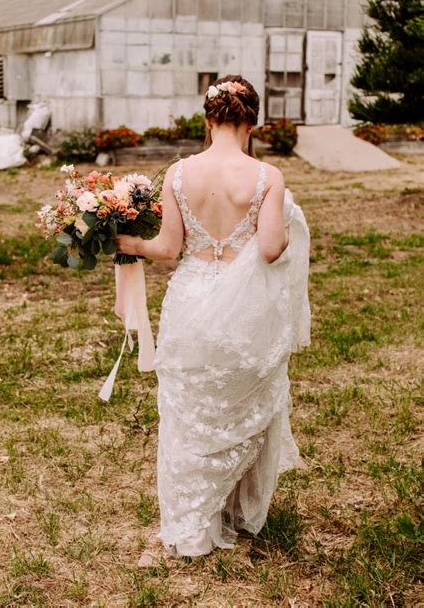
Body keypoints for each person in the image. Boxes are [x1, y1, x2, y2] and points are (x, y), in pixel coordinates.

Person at [116, 74, 311, 559]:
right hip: (245, 310)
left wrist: (129, 243)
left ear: (208, 120)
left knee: (190, 412)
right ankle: (236, 511)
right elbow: (269, 250)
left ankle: (192, 523)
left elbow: (167, 248)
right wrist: (289, 230)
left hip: (191, 300)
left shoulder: (180, 174)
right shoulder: (267, 177)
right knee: (241, 406)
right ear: (253, 122)